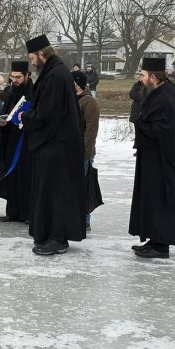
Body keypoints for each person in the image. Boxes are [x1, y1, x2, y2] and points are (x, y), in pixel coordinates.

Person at [19, 35, 87, 256]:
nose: (31, 62)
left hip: (58, 147)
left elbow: (48, 113)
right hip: (54, 146)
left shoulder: (56, 76)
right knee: (49, 192)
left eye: (32, 57)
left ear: (41, 54)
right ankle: (48, 233)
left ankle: (58, 238)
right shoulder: (54, 72)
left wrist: (26, 118)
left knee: (57, 193)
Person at [129, 57, 175, 259]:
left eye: (143, 75)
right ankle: (155, 239)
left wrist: (142, 124)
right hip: (155, 158)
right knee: (153, 199)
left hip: (164, 160)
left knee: (161, 200)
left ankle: (161, 246)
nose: (141, 79)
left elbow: (164, 129)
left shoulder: (165, 96)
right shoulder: (161, 92)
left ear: (153, 77)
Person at [0, 61, 34, 224]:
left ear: (27, 76)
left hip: (27, 141)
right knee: (12, 176)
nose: (14, 80)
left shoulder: (34, 92)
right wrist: (2, 121)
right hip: (10, 139)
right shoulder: (10, 91)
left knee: (26, 177)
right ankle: (12, 211)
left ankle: (28, 213)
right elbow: (5, 112)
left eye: (18, 77)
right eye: (12, 77)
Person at [72, 71, 100, 231]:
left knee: (83, 186)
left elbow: (91, 131)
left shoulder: (89, 102)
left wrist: (84, 153)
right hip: (71, 151)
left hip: (83, 153)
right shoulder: (73, 99)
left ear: (76, 84)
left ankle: (84, 220)